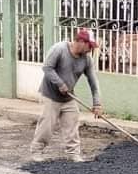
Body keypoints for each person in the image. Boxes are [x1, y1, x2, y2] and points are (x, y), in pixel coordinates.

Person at [31, 29, 103, 162]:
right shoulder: (60, 49)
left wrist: (97, 103)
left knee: (72, 125)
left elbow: (93, 81)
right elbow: (47, 67)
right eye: (90, 46)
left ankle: (73, 153)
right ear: (81, 42)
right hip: (50, 95)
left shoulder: (86, 60)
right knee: (47, 126)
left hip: (68, 98)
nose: (90, 49)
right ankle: (37, 151)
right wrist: (60, 83)